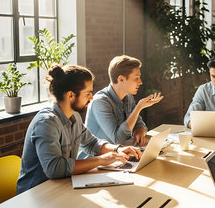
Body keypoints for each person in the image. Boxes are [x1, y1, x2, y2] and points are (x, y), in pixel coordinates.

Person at [17, 65, 142, 194]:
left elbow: (91, 143)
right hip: (35, 194)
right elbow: (55, 168)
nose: (91, 98)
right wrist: (101, 160)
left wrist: (117, 149)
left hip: (62, 187)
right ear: (71, 95)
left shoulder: (74, 115)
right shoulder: (46, 123)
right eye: (88, 93)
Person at [85, 55, 163, 148]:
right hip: (98, 158)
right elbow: (118, 140)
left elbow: (139, 123)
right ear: (121, 79)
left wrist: (140, 131)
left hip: (120, 154)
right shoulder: (100, 102)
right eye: (136, 78)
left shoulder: (128, 97)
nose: (140, 82)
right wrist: (139, 107)